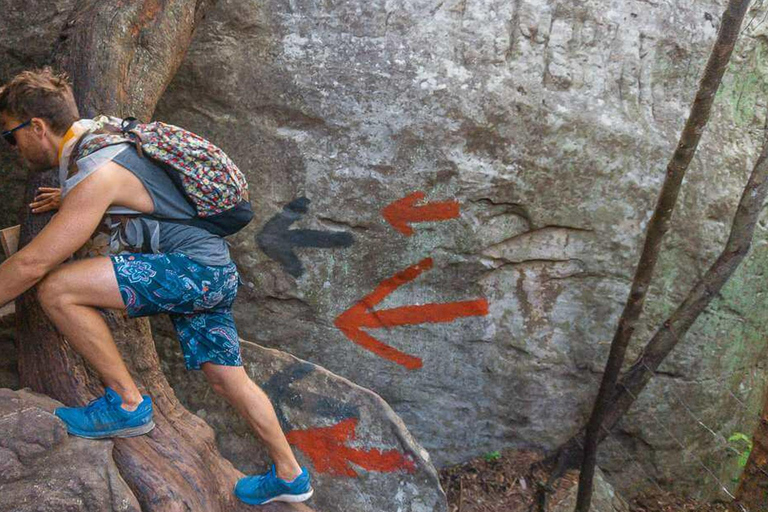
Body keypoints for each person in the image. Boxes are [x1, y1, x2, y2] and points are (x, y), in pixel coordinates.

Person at [0, 67, 313, 506]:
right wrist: (70, 200)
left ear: (35, 126)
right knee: (227, 378)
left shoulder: (98, 171)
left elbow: (32, 262)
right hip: (214, 271)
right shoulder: (104, 142)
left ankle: (127, 405)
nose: (11, 149)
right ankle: (290, 474)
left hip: (191, 271)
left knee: (57, 288)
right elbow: (137, 197)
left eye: (8, 136)